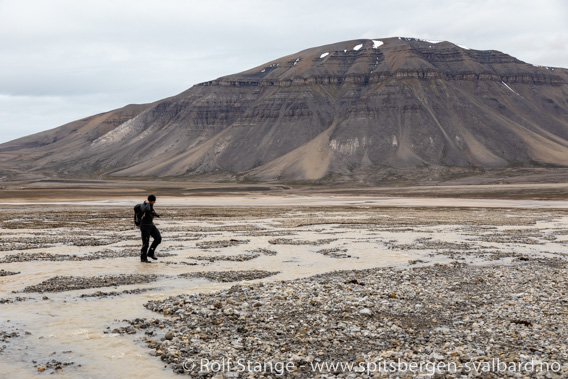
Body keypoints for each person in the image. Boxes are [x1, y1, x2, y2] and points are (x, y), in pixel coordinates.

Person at [140, 194, 162, 263]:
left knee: (158, 238)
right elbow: (146, 209)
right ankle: (143, 259)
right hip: (145, 226)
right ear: (151, 201)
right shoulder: (145, 205)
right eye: (154, 201)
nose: (154, 202)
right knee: (145, 243)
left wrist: (156, 215)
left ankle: (150, 253)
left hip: (151, 225)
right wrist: (147, 203)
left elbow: (151, 212)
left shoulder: (150, 206)